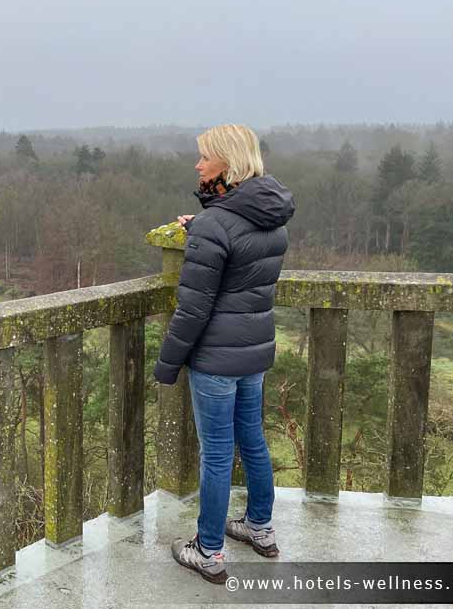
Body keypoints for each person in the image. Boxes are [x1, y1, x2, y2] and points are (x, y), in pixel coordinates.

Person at [153, 124, 296, 584]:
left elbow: (193, 309)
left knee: (216, 455)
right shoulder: (271, 216)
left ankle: (208, 551)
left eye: (205, 158)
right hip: (253, 352)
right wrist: (205, 225)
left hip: (215, 359)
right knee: (252, 440)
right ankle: (260, 528)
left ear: (228, 166)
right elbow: (241, 242)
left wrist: (168, 363)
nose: (198, 165)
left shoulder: (217, 224)